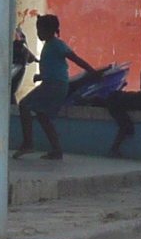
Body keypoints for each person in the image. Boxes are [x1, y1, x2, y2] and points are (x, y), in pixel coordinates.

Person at [13, 14, 97, 161]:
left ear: (48, 30)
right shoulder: (49, 46)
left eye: (40, 30)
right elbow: (54, 68)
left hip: (54, 86)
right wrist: (40, 76)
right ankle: (56, 150)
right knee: (42, 115)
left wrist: (93, 72)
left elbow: (76, 59)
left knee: (24, 105)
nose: (38, 33)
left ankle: (28, 143)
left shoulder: (57, 45)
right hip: (53, 84)